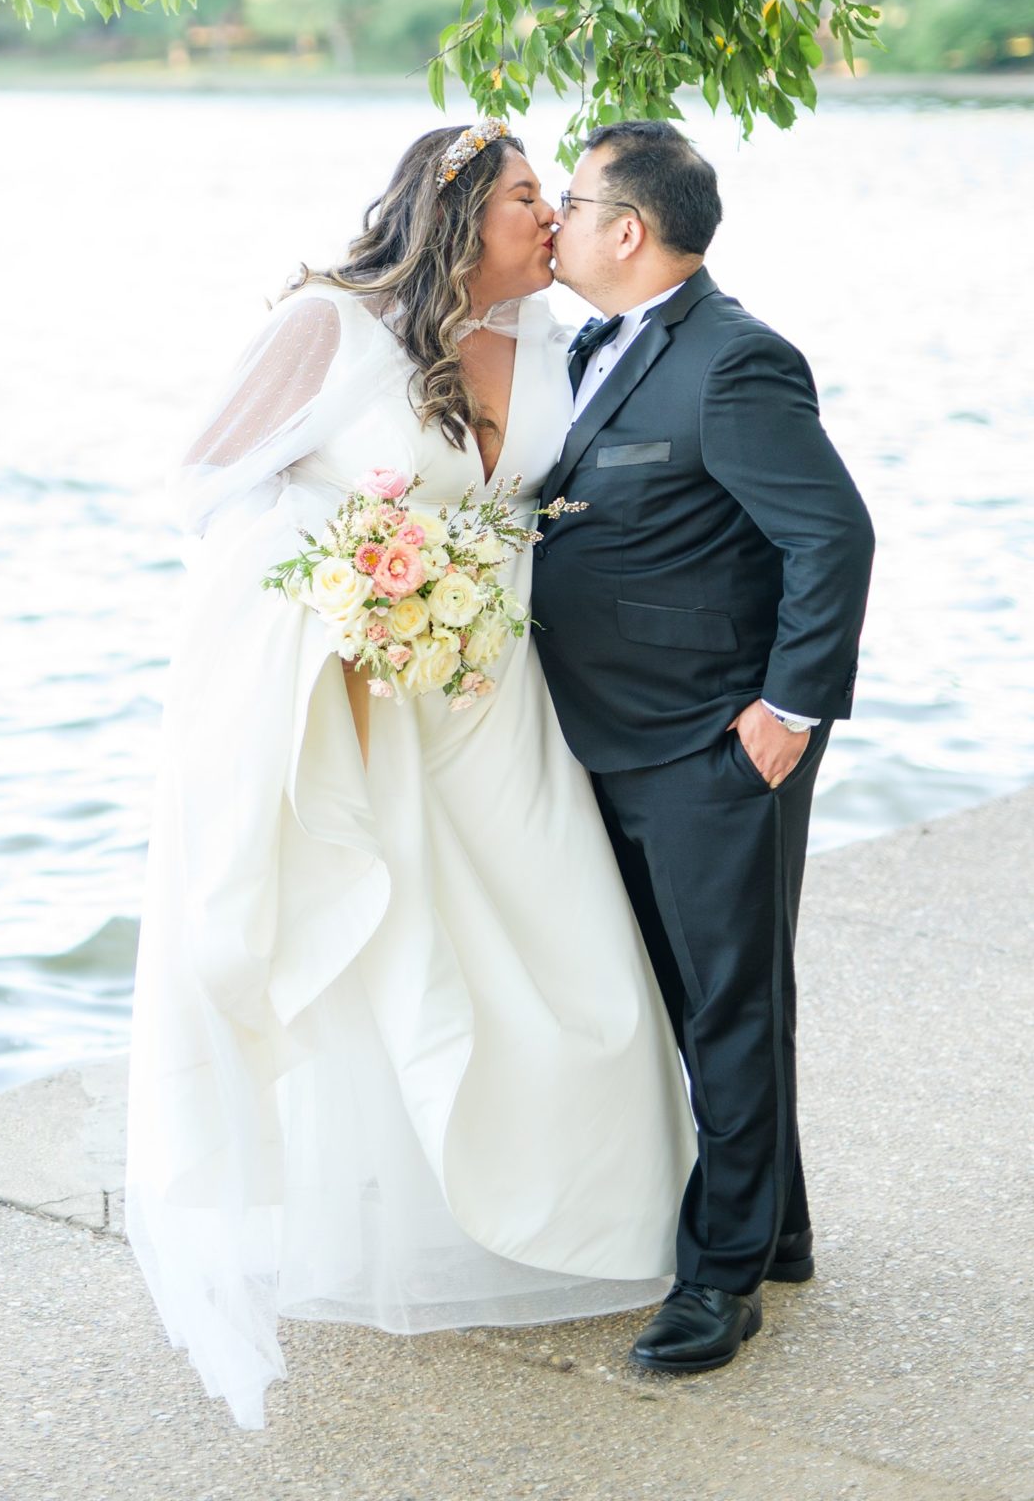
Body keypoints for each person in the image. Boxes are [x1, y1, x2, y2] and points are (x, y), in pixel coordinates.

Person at [124, 120, 696, 1430]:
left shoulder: (550, 340)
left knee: (565, 942)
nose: (547, 217)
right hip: (366, 691)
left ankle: (590, 1221)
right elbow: (203, 484)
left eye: (551, 197)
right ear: (449, 215)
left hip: (495, 688)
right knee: (390, 944)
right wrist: (339, 591)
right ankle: (414, 1233)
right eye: (520, 197)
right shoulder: (334, 330)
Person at [536, 118, 873, 1376]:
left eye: (567, 204)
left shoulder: (733, 362)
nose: (553, 223)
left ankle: (718, 1277)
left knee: (726, 1006)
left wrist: (784, 715)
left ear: (627, 229)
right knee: (692, 1003)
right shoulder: (588, 345)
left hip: (708, 743)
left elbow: (829, 538)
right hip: (607, 736)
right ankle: (773, 1225)